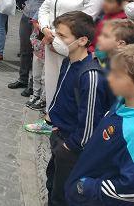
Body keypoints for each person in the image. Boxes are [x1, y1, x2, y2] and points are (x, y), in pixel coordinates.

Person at [45, 11, 114, 206]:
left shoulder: (90, 76)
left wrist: (69, 147)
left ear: (82, 40)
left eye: (62, 36)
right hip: (60, 134)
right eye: (56, 33)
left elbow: (89, 126)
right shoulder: (68, 61)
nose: (56, 39)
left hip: (72, 147)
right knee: (52, 183)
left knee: (63, 195)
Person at [65, 45, 134, 205]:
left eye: (116, 75)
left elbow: (129, 189)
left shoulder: (131, 129)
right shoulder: (120, 103)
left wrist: (87, 187)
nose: (108, 78)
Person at [38, 0, 104, 110]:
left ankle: (57, 123)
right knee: (51, 80)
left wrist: (54, 37)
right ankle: (49, 116)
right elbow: (45, 8)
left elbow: (83, 22)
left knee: (65, 85)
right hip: (50, 38)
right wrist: (45, 28)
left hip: (71, 46)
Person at [8, 0, 60, 95]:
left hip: (40, 21)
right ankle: (22, 78)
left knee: (38, 53)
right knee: (24, 49)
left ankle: (33, 84)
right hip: (26, 15)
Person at [90, 0, 127, 64]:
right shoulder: (107, 15)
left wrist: (95, 54)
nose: (105, 4)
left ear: (122, 4)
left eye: (110, 1)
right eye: (105, 0)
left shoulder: (122, 22)